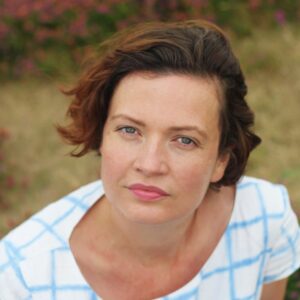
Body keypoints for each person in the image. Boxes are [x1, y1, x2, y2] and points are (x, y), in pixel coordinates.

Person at [0, 19, 299, 300]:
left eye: (185, 140)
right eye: (129, 130)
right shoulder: (20, 277)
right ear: (102, 134)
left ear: (222, 159)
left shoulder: (265, 218)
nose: (150, 164)